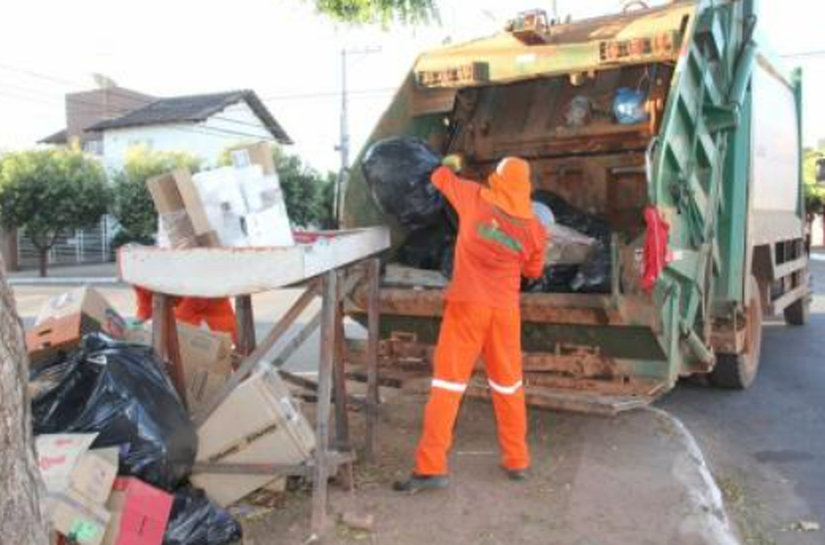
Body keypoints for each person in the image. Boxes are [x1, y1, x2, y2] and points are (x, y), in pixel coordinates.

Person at [394, 155, 549, 494]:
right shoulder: (535, 228)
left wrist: (447, 162)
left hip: (467, 307)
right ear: (525, 187)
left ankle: (431, 468)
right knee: (509, 387)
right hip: (504, 314)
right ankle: (517, 461)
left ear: (499, 179)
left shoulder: (473, 196)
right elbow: (534, 272)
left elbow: (439, 177)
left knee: (448, 387)